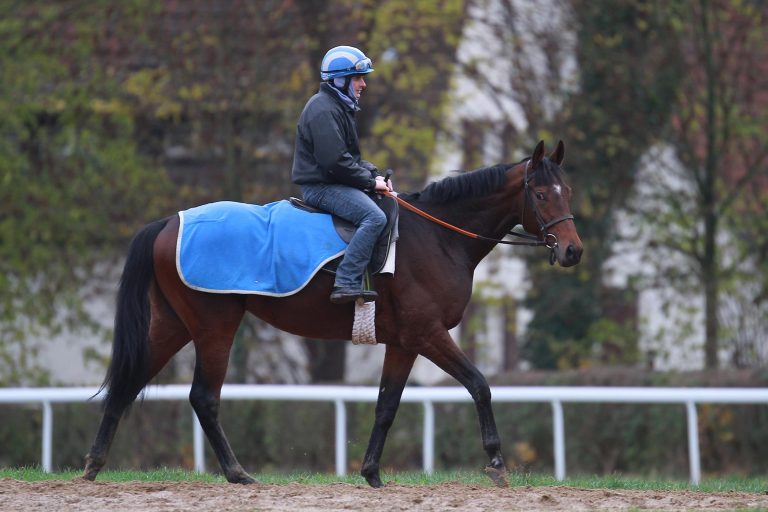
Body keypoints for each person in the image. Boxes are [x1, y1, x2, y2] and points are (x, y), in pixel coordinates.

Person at [292, 45, 393, 304]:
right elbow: (334, 163)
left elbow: (350, 159)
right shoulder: (323, 110)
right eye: (358, 78)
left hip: (332, 181)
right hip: (321, 188)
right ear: (340, 80)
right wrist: (371, 182)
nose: (363, 84)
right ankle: (346, 281)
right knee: (374, 217)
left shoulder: (337, 106)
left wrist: (375, 175)